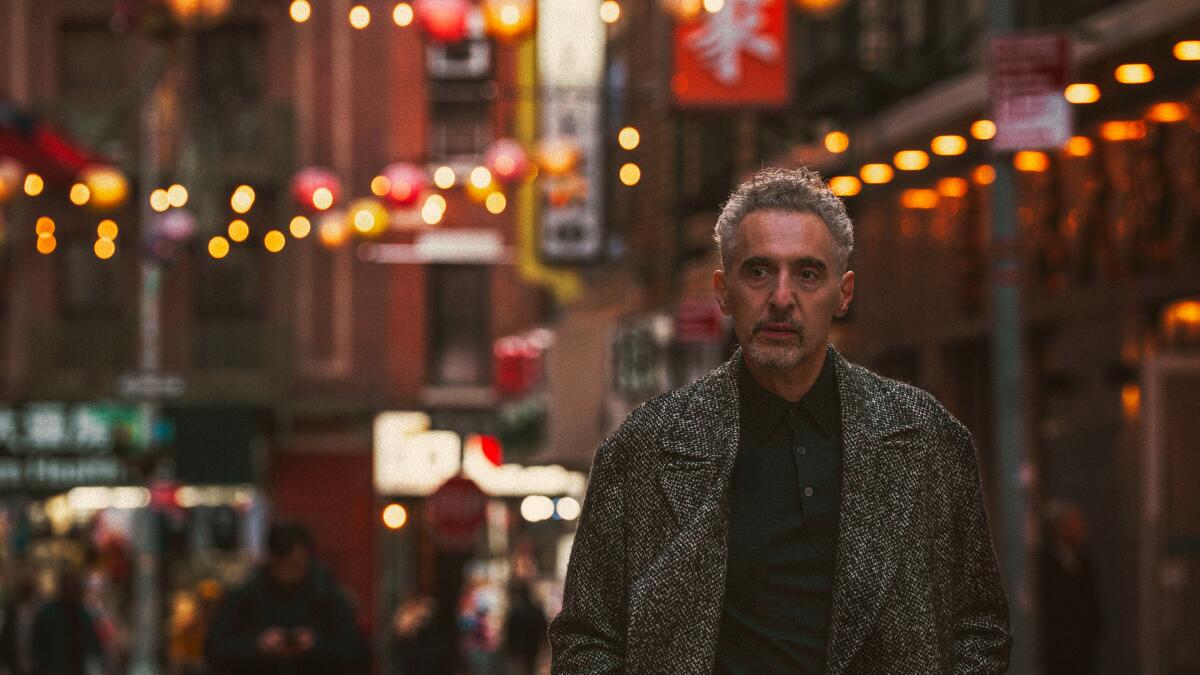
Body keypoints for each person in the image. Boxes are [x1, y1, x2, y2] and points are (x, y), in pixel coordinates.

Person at [549, 167, 1012, 673]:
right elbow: (586, 639)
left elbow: (980, 628)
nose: (782, 298)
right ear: (723, 291)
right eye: (758, 272)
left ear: (844, 293)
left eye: (808, 274)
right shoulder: (645, 448)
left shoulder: (926, 438)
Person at [204, 520, 368, 675]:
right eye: (284, 564)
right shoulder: (245, 595)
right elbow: (215, 651)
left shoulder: (327, 594)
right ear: (272, 559)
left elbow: (358, 653)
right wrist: (257, 645)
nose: (290, 572)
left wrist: (317, 645)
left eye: (296, 564)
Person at [1038, 502, 1103, 675]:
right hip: (1057, 646)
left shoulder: (1084, 562)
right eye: (1073, 525)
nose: (1081, 530)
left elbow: (1092, 601)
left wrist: (1094, 631)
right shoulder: (1046, 563)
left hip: (1083, 645)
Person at [29, 571, 102, 675]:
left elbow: (91, 643)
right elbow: (37, 643)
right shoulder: (48, 613)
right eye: (68, 588)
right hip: (53, 668)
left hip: (76, 668)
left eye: (74, 588)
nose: (71, 592)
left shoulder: (82, 614)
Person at [501, 583, 548, 675]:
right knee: (530, 670)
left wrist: (507, 647)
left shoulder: (515, 611)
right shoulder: (537, 610)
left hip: (517, 649)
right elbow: (544, 629)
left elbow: (509, 630)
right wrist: (543, 645)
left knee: (517, 670)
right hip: (532, 648)